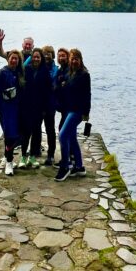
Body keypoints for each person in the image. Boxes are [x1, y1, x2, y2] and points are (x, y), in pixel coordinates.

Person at [55, 48, 91, 182]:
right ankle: (79, 167)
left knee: (63, 135)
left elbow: (87, 94)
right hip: (69, 109)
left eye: (76, 59)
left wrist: (86, 112)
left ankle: (66, 166)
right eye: (72, 59)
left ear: (80, 60)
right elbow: (63, 87)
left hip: (78, 111)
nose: (74, 61)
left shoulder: (84, 75)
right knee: (72, 137)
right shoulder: (70, 73)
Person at [0, 50, 23, 175]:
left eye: (16, 59)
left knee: (17, 134)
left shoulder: (19, 73)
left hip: (16, 108)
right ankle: (9, 162)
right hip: (5, 109)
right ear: (8, 59)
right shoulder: (2, 73)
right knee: (9, 135)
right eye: (12, 58)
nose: (14, 60)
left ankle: (6, 156)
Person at [20, 46, 52, 168]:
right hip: (26, 106)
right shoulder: (26, 69)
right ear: (31, 58)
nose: (36, 59)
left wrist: (45, 109)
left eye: (38, 57)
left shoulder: (45, 71)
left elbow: (48, 92)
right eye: (34, 57)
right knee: (26, 132)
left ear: (41, 58)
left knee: (36, 133)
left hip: (39, 108)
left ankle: (32, 157)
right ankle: (23, 157)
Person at [40, 45, 59, 165]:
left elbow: (52, 81)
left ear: (53, 55)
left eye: (49, 53)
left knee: (50, 129)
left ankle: (51, 154)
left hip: (50, 103)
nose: (47, 56)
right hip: (38, 103)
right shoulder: (38, 66)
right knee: (36, 128)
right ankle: (35, 150)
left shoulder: (55, 69)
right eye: (44, 53)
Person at [54, 47, 70, 131]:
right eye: (59, 56)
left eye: (63, 56)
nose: (61, 58)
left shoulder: (70, 69)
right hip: (62, 104)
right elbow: (57, 85)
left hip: (70, 104)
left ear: (68, 56)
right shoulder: (60, 70)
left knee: (63, 128)